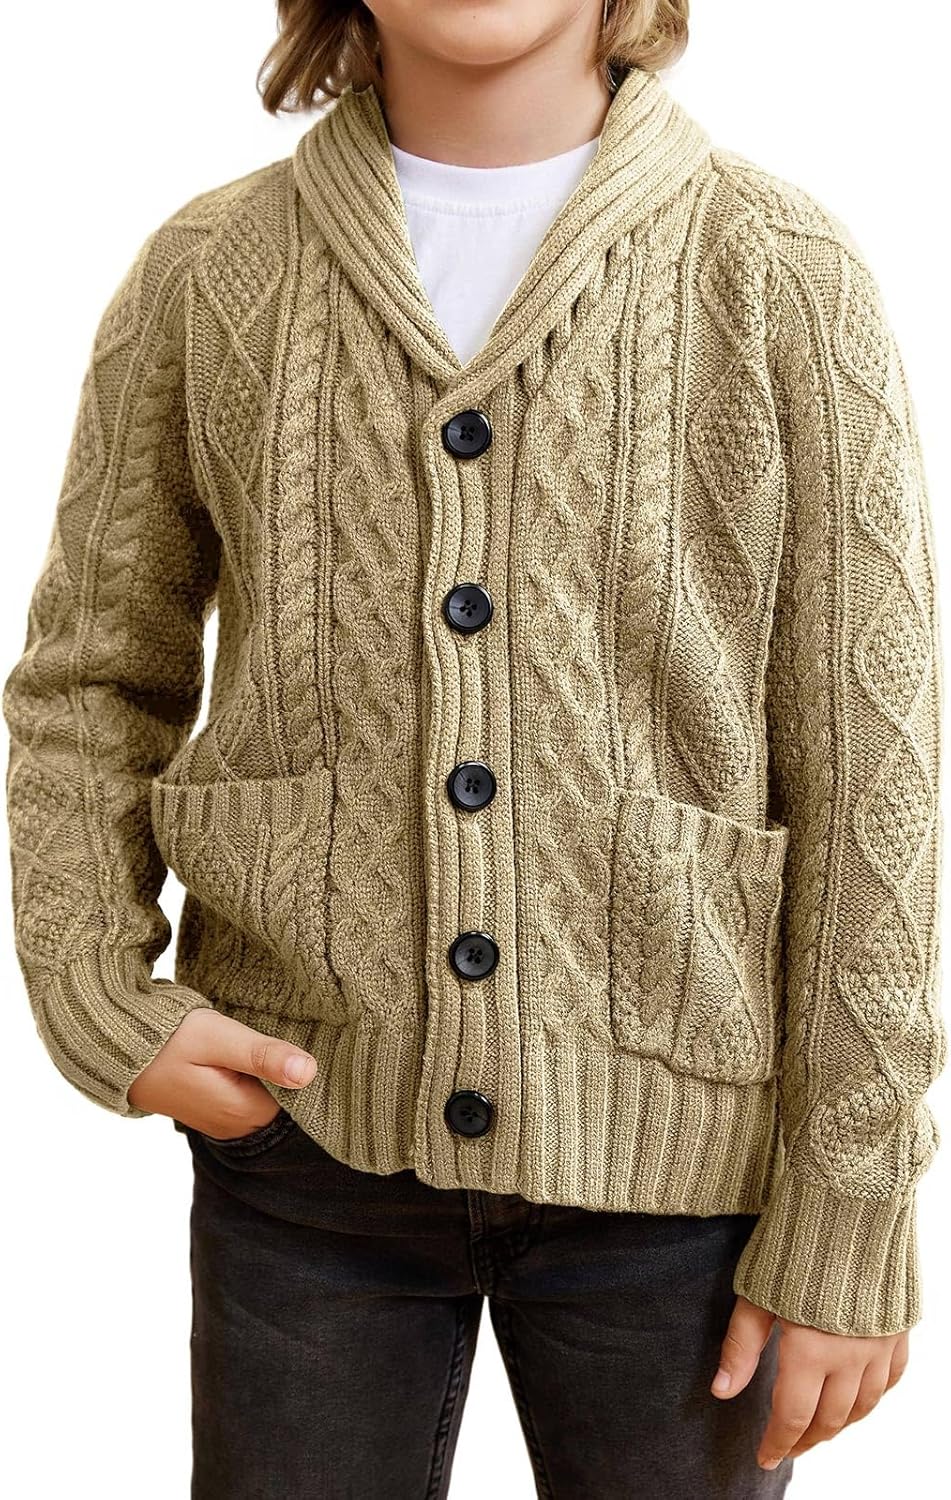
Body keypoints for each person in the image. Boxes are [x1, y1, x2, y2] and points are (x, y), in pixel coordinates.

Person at [3, 2, 944, 1495]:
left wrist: (853, 1198)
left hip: (686, 1164)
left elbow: (872, 771)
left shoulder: (779, 271)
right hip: (304, 1148)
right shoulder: (209, 273)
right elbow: (88, 683)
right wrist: (100, 994)